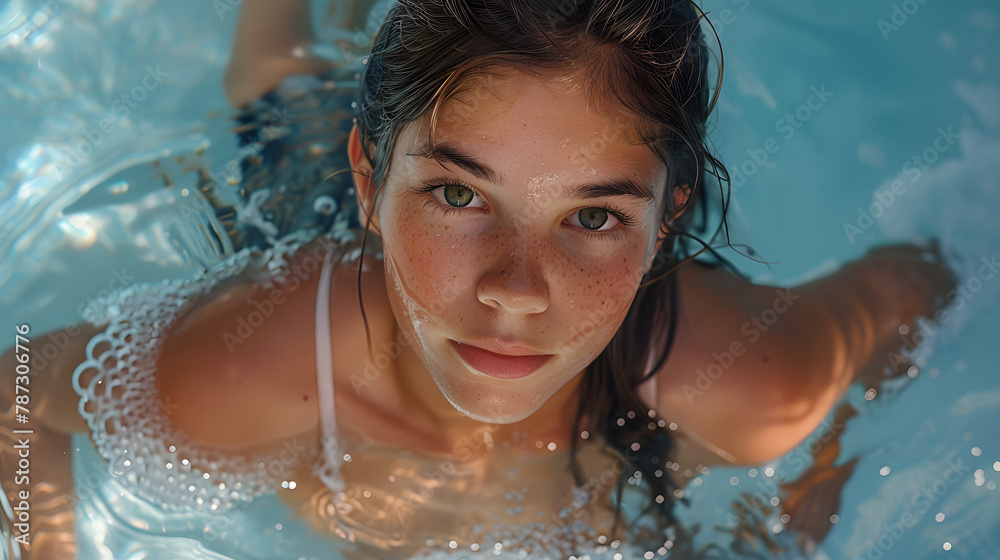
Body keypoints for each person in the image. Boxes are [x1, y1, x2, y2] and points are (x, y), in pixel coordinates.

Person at [1, 0, 958, 558]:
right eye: (461, 196)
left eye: (593, 216)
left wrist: (807, 511)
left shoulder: (753, 384)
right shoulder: (257, 366)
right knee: (276, 74)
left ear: (667, 220)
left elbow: (925, 279)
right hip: (306, 209)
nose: (514, 290)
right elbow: (16, 391)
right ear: (371, 180)